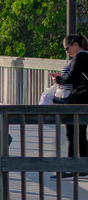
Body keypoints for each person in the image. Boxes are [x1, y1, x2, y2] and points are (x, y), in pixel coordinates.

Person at [49, 34, 88, 179]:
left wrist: (58, 78)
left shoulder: (81, 56)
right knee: (80, 134)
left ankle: (71, 169)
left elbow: (72, 77)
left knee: (72, 134)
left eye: (67, 47)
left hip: (76, 101)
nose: (66, 51)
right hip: (83, 100)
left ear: (76, 44)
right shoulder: (84, 56)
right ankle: (84, 167)